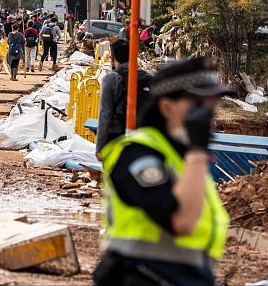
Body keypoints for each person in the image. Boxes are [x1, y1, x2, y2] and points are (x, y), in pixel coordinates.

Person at [94, 56, 232, 286]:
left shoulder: (180, 155)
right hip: (141, 277)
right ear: (167, 107)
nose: (209, 113)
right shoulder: (137, 153)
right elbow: (182, 222)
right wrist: (198, 152)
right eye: (198, 104)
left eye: (213, 104)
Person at [95, 39, 153, 155]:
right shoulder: (149, 78)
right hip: (143, 137)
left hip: (117, 137)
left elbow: (105, 114)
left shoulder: (110, 79)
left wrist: (100, 148)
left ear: (113, 57)